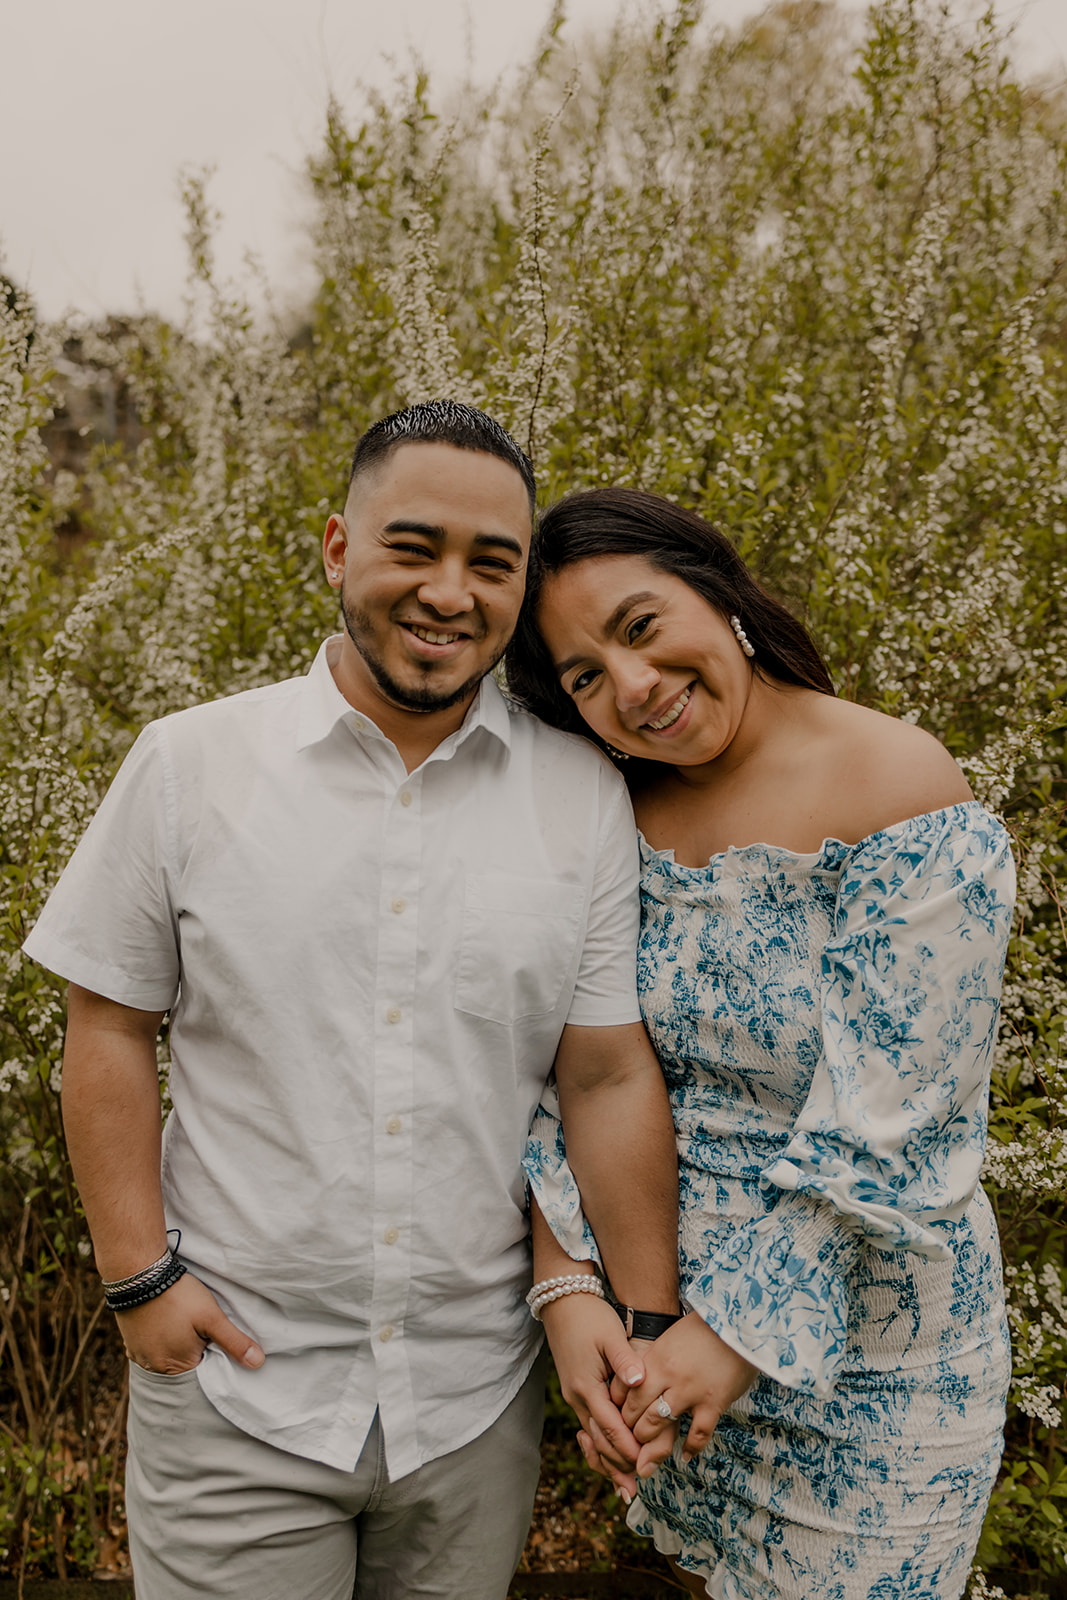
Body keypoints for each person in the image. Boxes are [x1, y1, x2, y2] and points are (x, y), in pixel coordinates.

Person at [22, 406, 680, 1600]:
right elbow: (108, 1026)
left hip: (472, 1401)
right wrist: (138, 1281)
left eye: (491, 563)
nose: (447, 591)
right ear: (336, 549)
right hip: (234, 1385)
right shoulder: (188, 766)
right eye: (410, 547)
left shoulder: (583, 794)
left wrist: (640, 1325)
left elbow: (602, 1072)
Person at [506, 486, 1015, 1600]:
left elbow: (891, 1119)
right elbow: (570, 1065)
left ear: (719, 589)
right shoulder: (613, 813)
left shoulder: (899, 785)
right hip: (666, 1351)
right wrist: (570, 1288)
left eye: (640, 626)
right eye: (583, 675)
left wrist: (729, 1339)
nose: (631, 688)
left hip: (873, 1368)